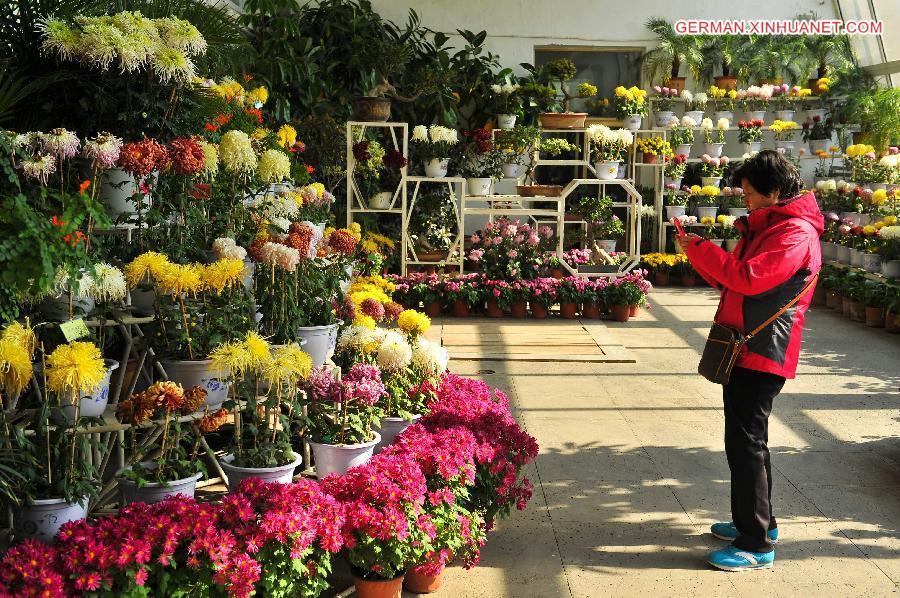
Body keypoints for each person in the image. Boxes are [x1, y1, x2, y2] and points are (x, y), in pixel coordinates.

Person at [678, 150, 823, 572]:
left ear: (774, 191)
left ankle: (756, 544)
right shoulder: (770, 226)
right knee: (746, 443)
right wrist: (696, 251)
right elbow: (734, 277)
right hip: (745, 345)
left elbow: (748, 278)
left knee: (746, 445)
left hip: (762, 350)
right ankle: (757, 523)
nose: (745, 198)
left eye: (750, 191)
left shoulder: (793, 233)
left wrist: (703, 250)